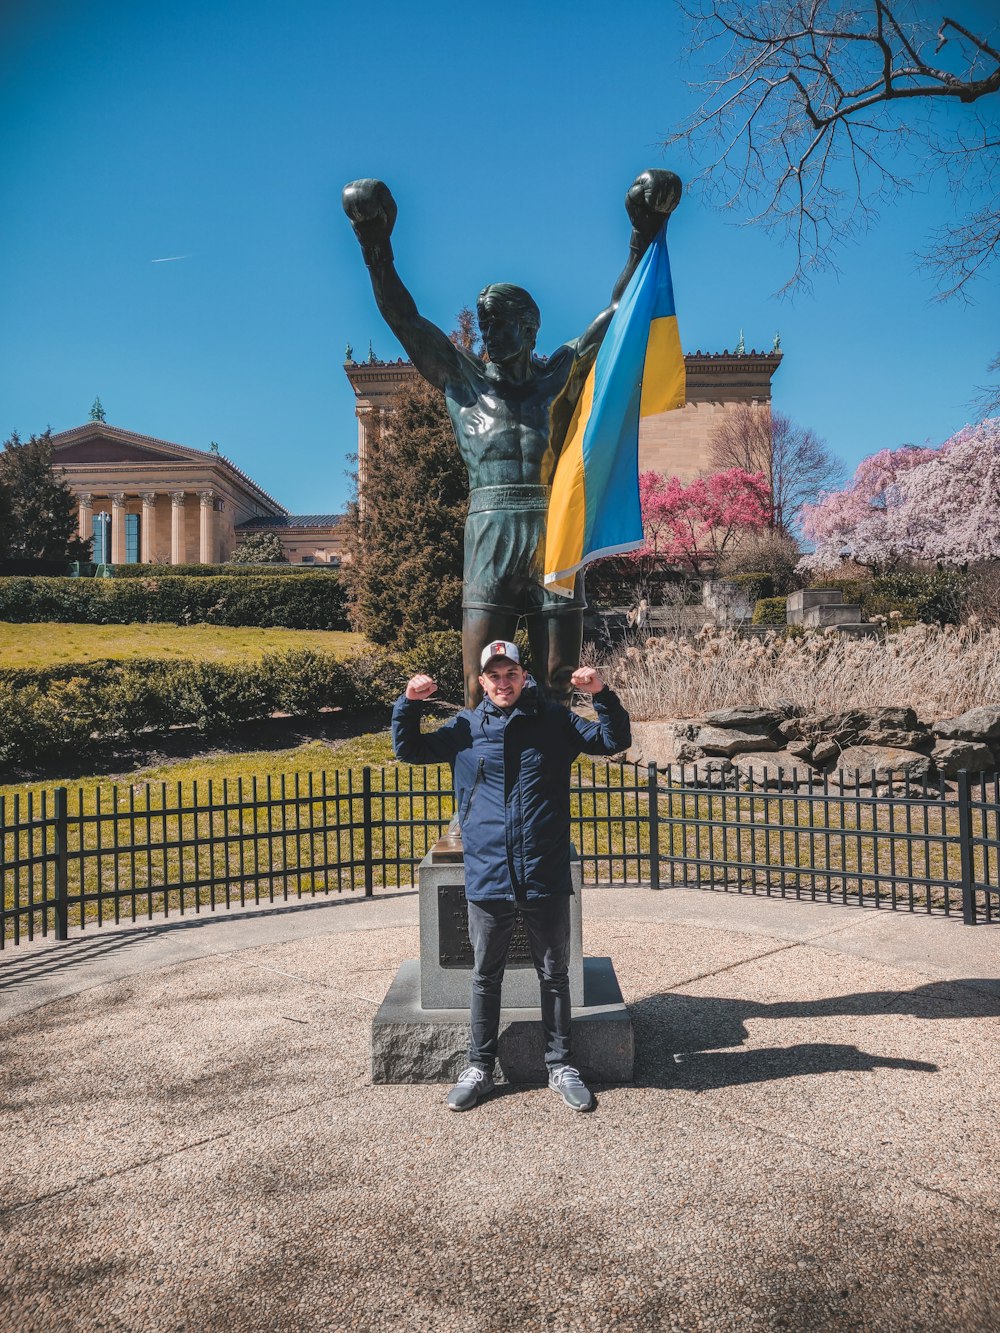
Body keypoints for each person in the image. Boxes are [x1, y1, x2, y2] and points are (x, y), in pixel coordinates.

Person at [343, 169, 681, 706]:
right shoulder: (462, 381)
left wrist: (645, 230)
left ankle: (546, 785)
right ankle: (485, 784)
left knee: (557, 685)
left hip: (554, 529)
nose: (487, 335)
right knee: (481, 694)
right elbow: (402, 317)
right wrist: (374, 243)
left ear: (530, 329)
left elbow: (621, 315)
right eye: (483, 324)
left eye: (499, 324)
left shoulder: (560, 377)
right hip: (488, 533)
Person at [392, 640, 631, 1111]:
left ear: (524, 677)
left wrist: (601, 694)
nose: (503, 683)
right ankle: (478, 1065)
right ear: (482, 683)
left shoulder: (554, 720)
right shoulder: (465, 727)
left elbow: (612, 741)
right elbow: (409, 749)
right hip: (488, 869)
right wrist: (409, 704)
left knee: (554, 973)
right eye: (494, 676)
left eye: (511, 674)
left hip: (542, 867)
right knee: (485, 974)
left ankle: (561, 1065)